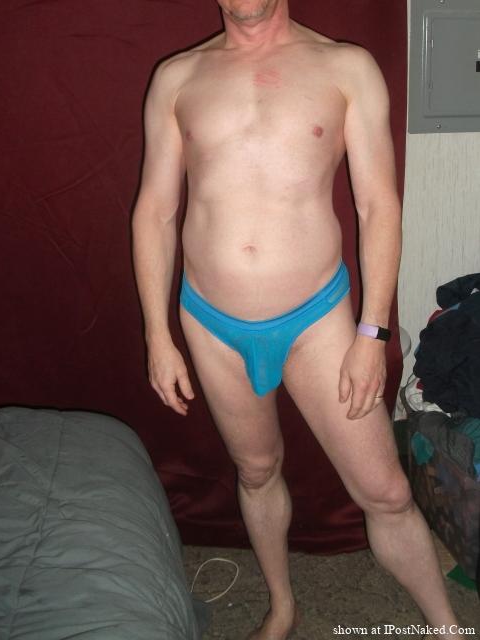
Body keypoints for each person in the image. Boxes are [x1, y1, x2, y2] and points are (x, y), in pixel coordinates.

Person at [132, 2, 465, 638]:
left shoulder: (346, 67)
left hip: (318, 320)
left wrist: (372, 332)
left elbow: (378, 206)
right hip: (210, 322)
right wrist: (156, 333)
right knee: (257, 472)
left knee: (387, 493)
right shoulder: (177, 78)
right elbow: (155, 211)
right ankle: (283, 607)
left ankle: (447, 629)